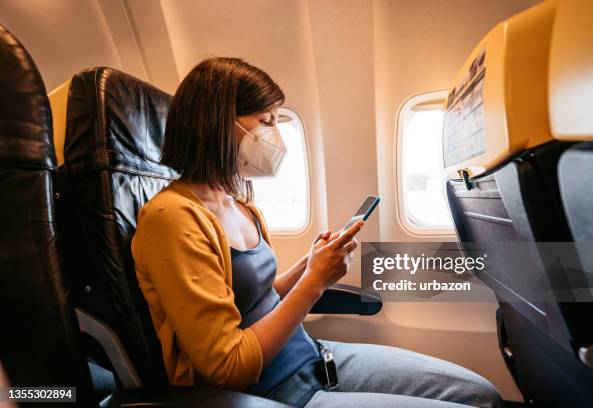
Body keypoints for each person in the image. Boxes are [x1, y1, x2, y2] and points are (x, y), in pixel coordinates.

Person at [130, 57, 503, 408]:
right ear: (218, 122)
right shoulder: (172, 219)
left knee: (479, 394)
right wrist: (314, 283)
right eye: (266, 122)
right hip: (274, 391)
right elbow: (227, 367)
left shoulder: (239, 204)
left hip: (313, 356)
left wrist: (309, 266)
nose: (276, 136)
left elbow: (255, 302)